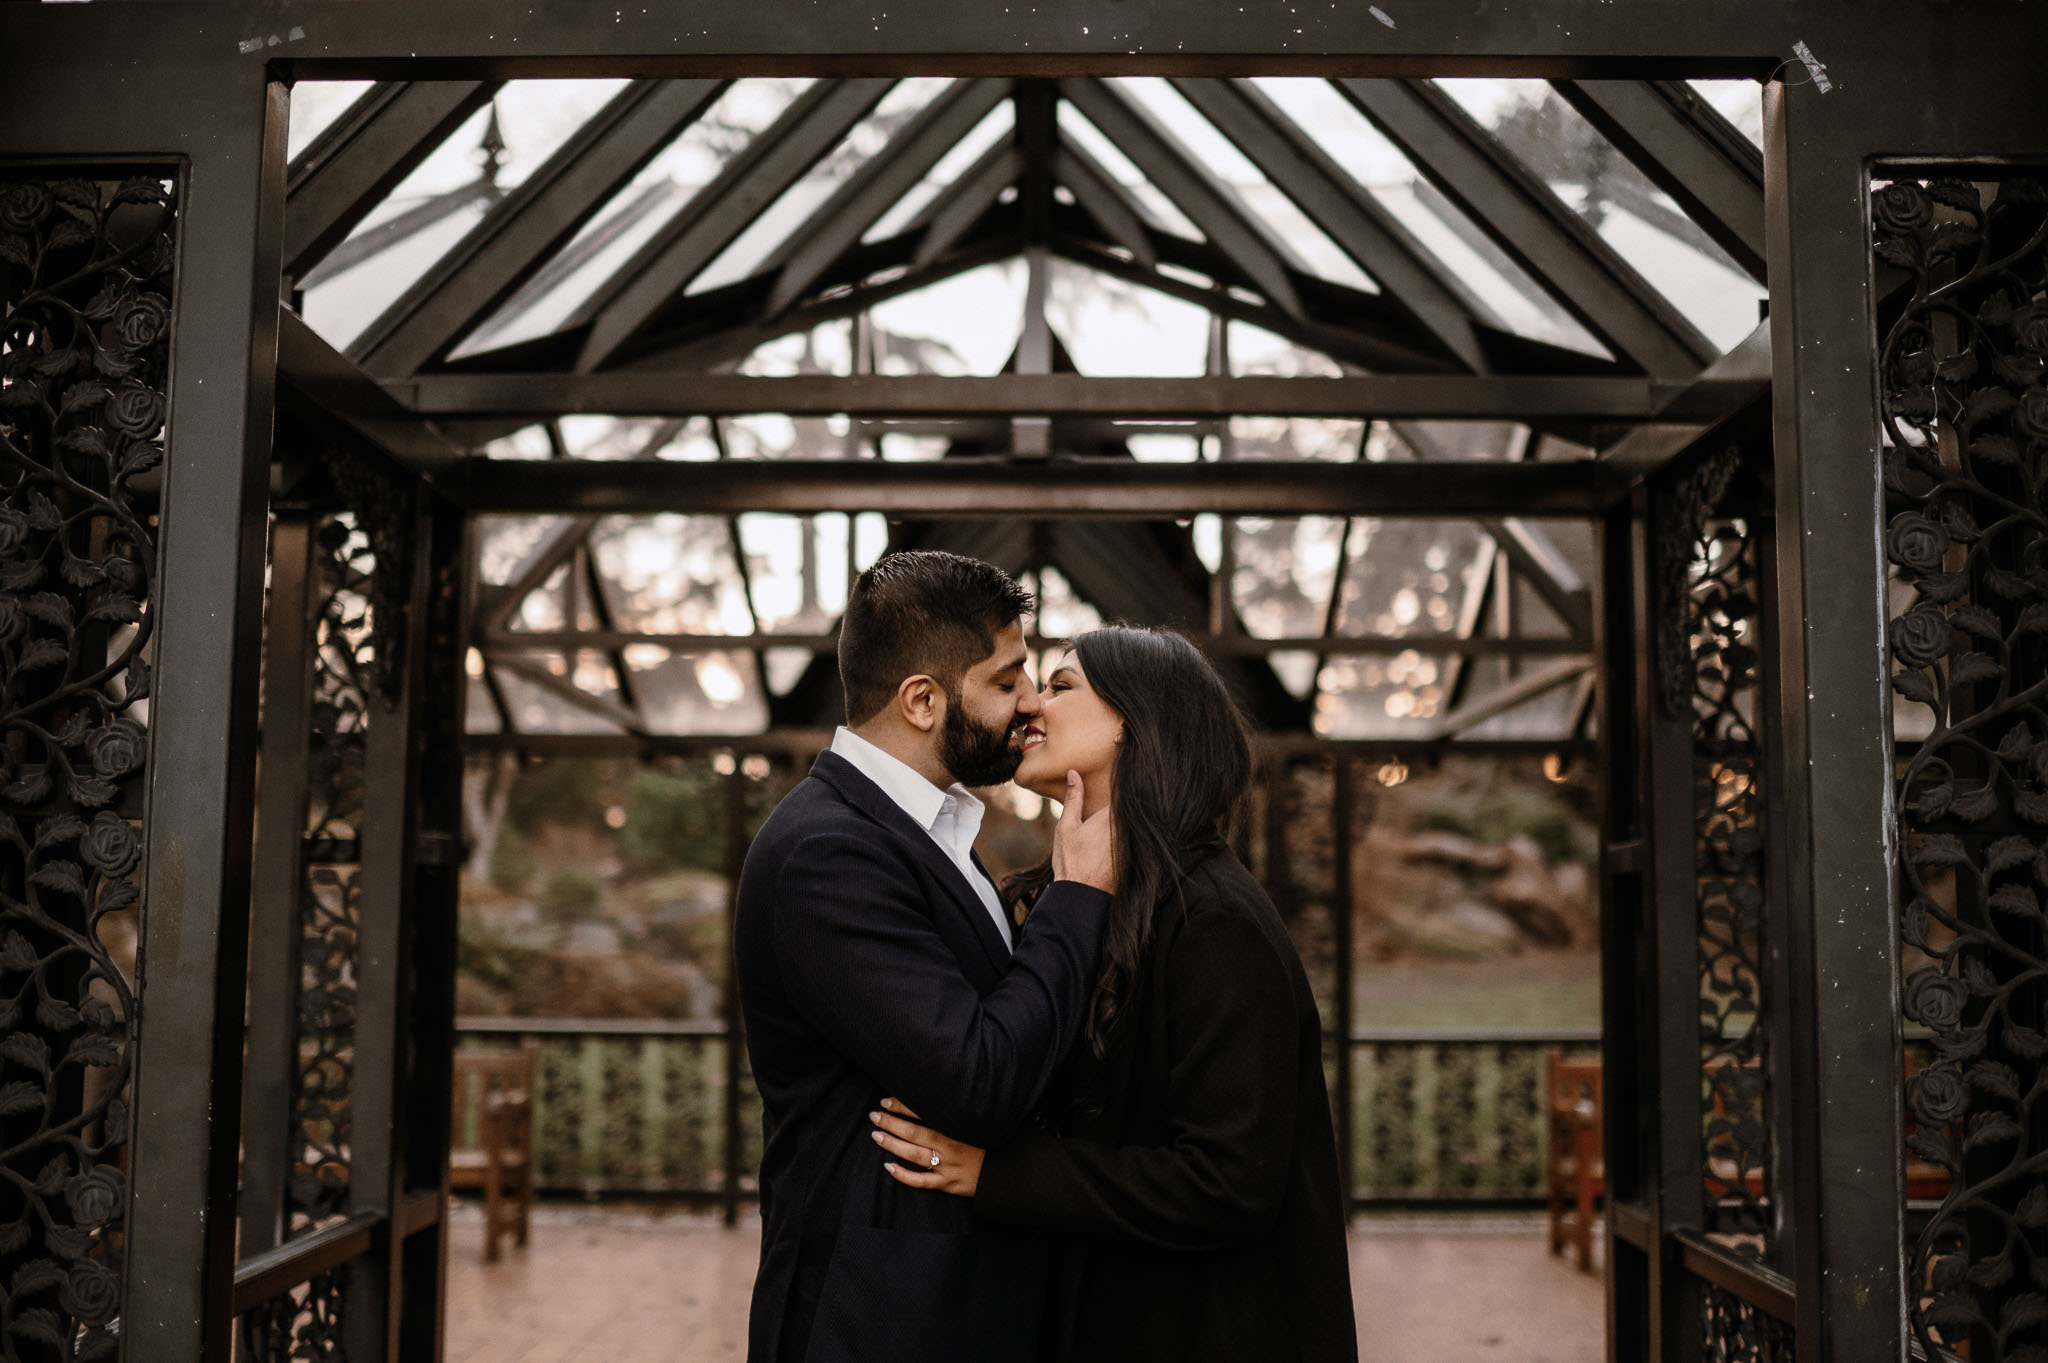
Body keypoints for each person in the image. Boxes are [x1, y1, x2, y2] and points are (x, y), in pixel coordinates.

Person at [868, 625, 1358, 1363]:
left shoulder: (1217, 921)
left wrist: (999, 1175)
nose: (1030, 704)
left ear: (1137, 717)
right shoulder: (1073, 901)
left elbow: (1229, 1182)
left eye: (1061, 686)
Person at [734, 550, 1117, 1363]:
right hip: (874, 1318)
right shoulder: (826, 852)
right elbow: (977, 1077)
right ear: (921, 700)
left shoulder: (929, 830)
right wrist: (1078, 898)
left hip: (952, 1306)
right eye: (1007, 678)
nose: (1029, 702)